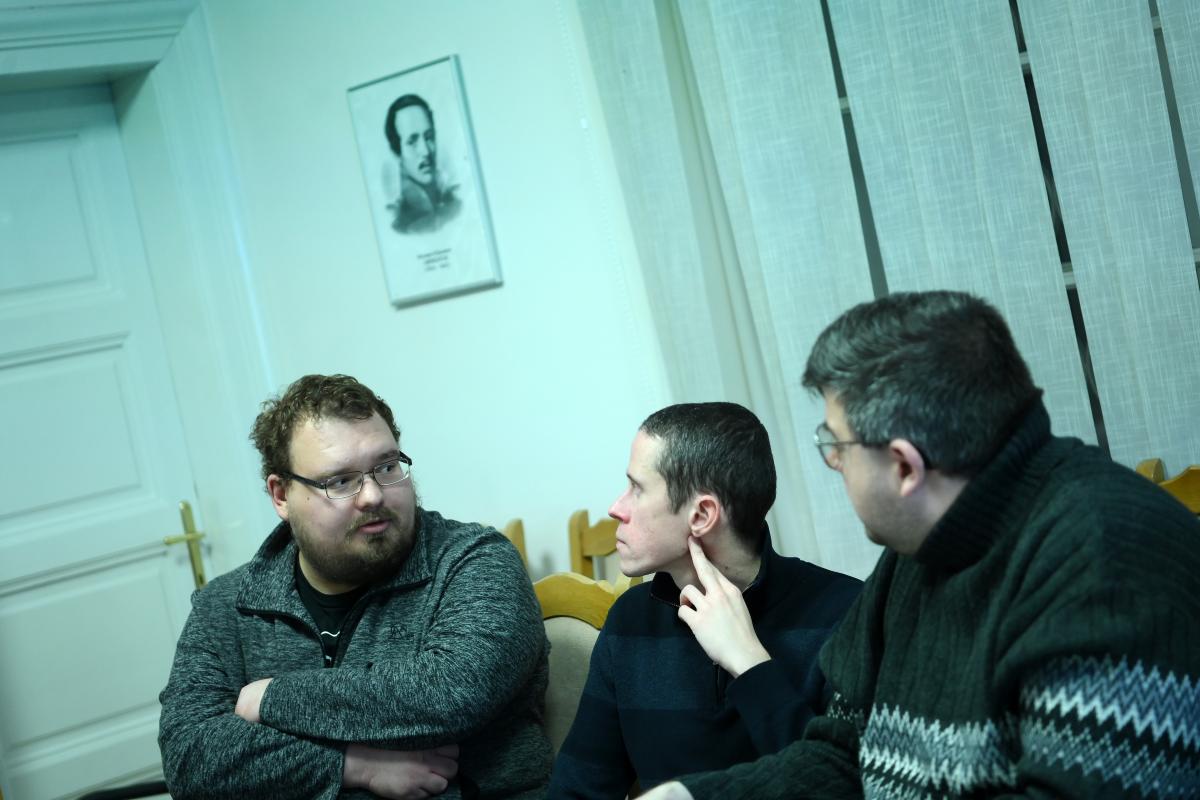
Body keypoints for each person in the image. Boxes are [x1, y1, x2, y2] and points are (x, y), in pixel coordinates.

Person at [640, 291, 1200, 800]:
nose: (832, 461)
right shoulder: (917, 549)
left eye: (836, 443)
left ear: (905, 467)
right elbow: (842, 757)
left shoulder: (1113, 559)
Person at [158, 374, 551, 799]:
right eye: (340, 481)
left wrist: (270, 698)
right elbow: (190, 758)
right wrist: (351, 765)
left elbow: (452, 692)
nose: (372, 496)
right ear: (281, 495)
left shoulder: (474, 561)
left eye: (386, 467)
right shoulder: (225, 606)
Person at [548, 402, 862, 798]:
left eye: (637, 489)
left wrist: (749, 663)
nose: (616, 508)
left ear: (701, 516)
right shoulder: (632, 618)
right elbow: (577, 790)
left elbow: (843, 785)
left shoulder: (847, 614)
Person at [384, 94, 461, 234]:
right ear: (397, 150)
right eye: (412, 141)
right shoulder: (399, 223)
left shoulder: (455, 203)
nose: (425, 151)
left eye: (429, 137)